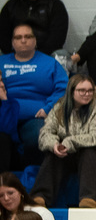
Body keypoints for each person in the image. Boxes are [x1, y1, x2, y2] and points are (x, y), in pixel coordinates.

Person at [30, 74, 96, 209]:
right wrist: (55, 145)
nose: (87, 94)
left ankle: (90, 198)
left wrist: (70, 142)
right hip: (70, 155)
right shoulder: (59, 108)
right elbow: (45, 133)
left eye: (90, 90)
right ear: (71, 91)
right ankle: (40, 197)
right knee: (52, 154)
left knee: (88, 151)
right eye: (82, 90)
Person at [0, 23, 68, 163]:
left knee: (39, 137)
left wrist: (48, 108)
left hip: (35, 118)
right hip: (3, 115)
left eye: (27, 36)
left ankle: (32, 177)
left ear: (35, 41)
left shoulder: (50, 63)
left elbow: (64, 89)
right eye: (18, 37)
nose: (23, 40)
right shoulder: (1, 62)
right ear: (12, 42)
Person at [0, 0, 69, 56]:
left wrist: (37, 56)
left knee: (62, 55)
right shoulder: (11, 5)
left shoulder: (55, 6)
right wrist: (17, 53)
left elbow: (57, 38)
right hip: (15, 53)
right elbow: (3, 35)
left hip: (46, 54)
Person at [0, 70, 19, 173]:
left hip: (8, 150)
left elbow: (6, 129)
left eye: (2, 80)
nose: (2, 85)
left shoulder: (12, 103)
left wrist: (4, 101)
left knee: (2, 138)